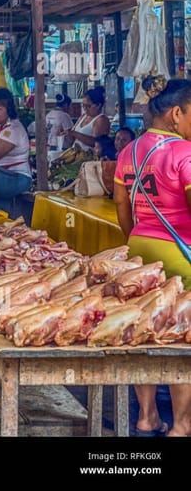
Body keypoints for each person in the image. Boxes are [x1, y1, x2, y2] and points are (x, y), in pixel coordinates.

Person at [113, 75, 191, 437]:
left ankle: (146, 417)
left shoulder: (128, 151)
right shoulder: (183, 153)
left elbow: (121, 206)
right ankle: (181, 424)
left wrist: (136, 239)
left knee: (144, 332)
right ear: (176, 113)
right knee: (180, 337)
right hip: (178, 252)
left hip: (140, 245)